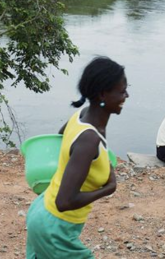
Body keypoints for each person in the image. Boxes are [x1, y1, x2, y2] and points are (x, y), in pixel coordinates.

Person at [26, 56, 128, 258]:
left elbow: (61, 137)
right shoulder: (89, 140)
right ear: (102, 94)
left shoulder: (81, 116)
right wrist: (107, 189)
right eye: (121, 90)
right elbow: (64, 202)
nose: (126, 95)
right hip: (55, 226)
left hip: (44, 209)